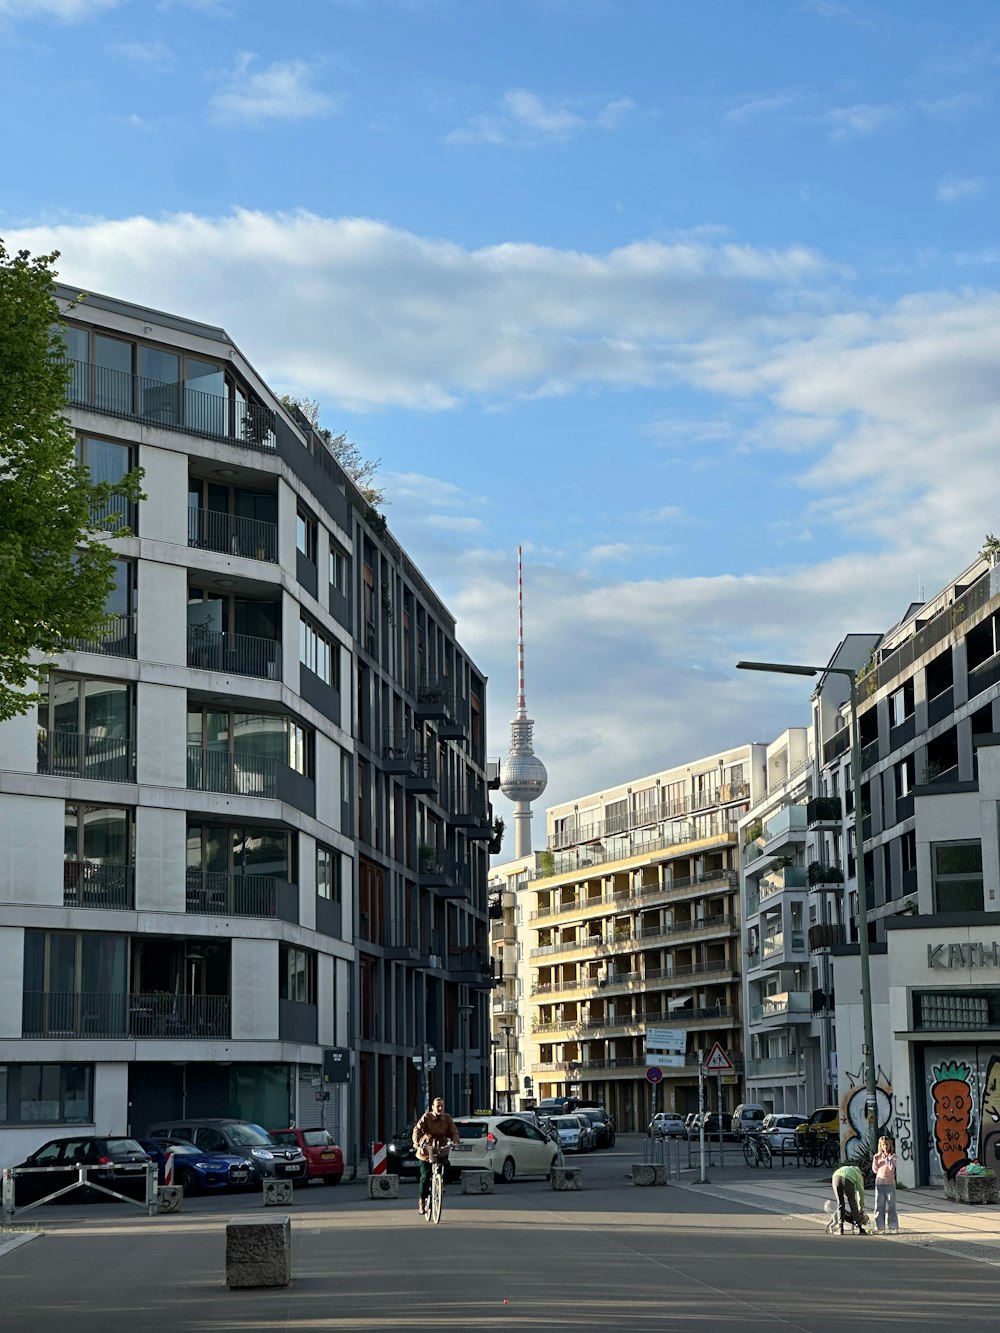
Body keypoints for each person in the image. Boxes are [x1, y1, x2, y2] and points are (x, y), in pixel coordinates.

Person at [412, 1096, 460, 1216]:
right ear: (432, 1107)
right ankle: (422, 1201)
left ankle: (440, 1184)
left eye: (442, 1106)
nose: (440, 1108)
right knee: (425, 1177)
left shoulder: (447, 1118)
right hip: (426, 1150)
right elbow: (417, 1130)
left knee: (447, 1167)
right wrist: (416, 1143)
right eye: (437, 1106)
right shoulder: (427, 1117)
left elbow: (454, 1132)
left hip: (441, 1148)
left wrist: (455, 1142)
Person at [831, 1162, 869, 1235]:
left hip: (835, 1177)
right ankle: (859, 1227)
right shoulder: (859, 1175)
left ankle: (840, 1228)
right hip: (847, 1178)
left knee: (840, 1202)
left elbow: (845, 1191)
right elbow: (860, 1192)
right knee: (852, 1203)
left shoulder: (849, 1169)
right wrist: (861, 1207)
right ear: (862, 1177)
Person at [873, 1135, 899, 1234]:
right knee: (879, 1205)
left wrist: (887, 1159)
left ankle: (893, 1226)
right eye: (883, 1145)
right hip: (879, 1184)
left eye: (887, 1144)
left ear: (890, 1145)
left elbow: (892, 1168)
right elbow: (875, 1170)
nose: (885, 1146)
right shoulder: (878, 1156)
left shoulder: (893, 1156)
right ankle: (879, 1227)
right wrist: (875, 1160)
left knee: (891, 1205)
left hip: (889, 1183)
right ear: (880, 1145)